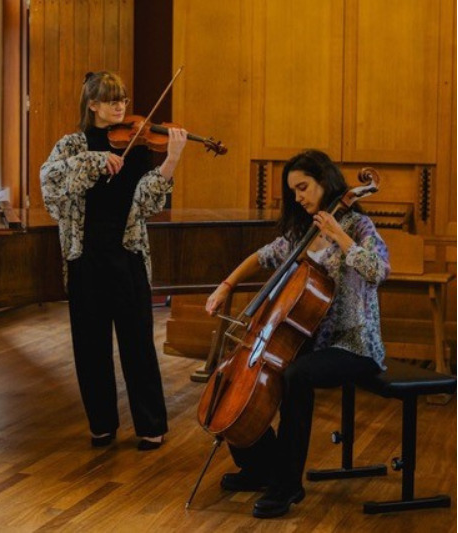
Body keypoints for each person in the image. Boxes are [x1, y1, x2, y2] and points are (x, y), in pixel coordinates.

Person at [205, 149, 389, 518]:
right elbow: (263, 255)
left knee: (297, 376)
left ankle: (287, 485)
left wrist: (340, 236)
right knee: (239, 380)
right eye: (293, 192)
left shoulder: (358, 226)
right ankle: (260, 467)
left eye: (303, 187)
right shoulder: (302, 234)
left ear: (325, 181)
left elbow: (379, 270)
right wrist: (226, 284)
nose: (299, 197)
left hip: (354, 345)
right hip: (311, 340)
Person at [40, 71, 188, 451]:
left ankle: (150, 425)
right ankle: (102, 424)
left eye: (121, 99)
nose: (120, 106)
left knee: (138, 343)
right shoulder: (72, 145)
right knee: (90, 347)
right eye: (111, 100)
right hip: (84, 256)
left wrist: (170, 160)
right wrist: (95, 160)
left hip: (128, 255)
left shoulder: (138, 146)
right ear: (92, 105)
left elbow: (148, 203)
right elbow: (50, 183)